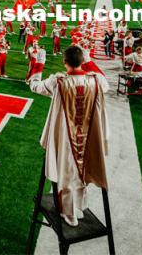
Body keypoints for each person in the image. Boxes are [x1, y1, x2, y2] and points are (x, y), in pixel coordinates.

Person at [29, 45, 109, 227]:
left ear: (64, 62)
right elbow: (104, 80)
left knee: (66, 173)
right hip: (88, 136)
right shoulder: (96, 81)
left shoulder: (58, 81)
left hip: (65, 138)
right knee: (82, 172)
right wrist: (88, 61)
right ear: (82, 61)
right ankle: (79, 207)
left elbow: (34, 86)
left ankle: (69, 213)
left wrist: (38, 63)